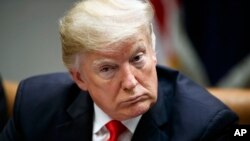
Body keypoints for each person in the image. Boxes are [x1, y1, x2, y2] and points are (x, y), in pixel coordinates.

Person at [0, 0, 238, 141]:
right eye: (107, 69)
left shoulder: (206, 127)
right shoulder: (34, 105)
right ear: (79, 77)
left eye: (137, 58)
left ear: (153, 52)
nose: (131, 82)